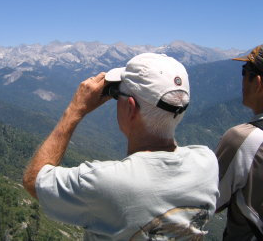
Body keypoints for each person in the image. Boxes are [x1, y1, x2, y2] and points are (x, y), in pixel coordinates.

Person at [23, 53, 219, 240]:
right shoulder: (206, 163)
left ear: (130, 108)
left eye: (117, 95)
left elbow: (34, 180)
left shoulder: (108, 183)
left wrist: (76, 109)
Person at [215, 45, 263, 240]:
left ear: (258, 82)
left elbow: (205, 201)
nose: (242, 79)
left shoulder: (245, 140)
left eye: (245, 72)